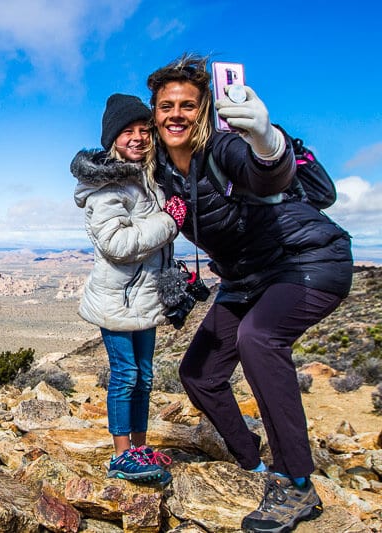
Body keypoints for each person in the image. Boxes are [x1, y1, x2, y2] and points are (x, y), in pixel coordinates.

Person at [146, 54, 353, 532]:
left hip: (308, 261)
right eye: (166, 105)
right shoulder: (162, 170)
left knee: (259, 339)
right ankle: (252, 466)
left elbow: (268, 174)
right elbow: (120, 156)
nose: (176, 113)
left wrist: (265, 139)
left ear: (204, 111)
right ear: (154, 113)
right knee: (198, 374)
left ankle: (296, 483)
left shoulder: (224, 147)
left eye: (188, 105)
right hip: (246, 277)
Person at [70, 93, 179, 483]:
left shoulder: (147, 181)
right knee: (126, 375)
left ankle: (139, 446)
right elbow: (117, 245)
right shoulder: (107, 188)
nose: (137, 138)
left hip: (144, 298)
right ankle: (121, 457)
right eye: (126, 132)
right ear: (112, 139)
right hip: (117, 301)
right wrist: (170, 222)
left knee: (146, 376)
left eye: (144, 130)